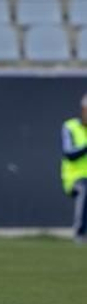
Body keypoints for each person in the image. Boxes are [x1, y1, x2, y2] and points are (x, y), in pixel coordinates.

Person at [62, 94, 87, 244]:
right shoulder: (70, 126)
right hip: (75, 178)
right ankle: (80, 233)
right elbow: (69, 153)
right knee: (85, 188)